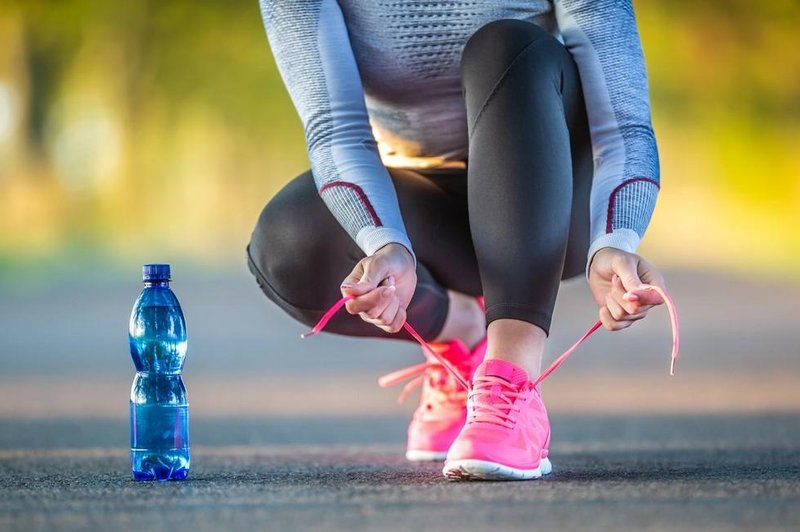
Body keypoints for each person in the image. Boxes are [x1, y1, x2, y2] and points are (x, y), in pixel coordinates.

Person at [248, 0, 667, 481]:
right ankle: (462, 334)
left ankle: (508, 383)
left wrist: (615, 237)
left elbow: (624, 124)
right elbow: (335, 129)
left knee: (504, 44)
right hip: (431, 204)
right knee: (287, 242)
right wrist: (387, 244)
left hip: (556, 198)